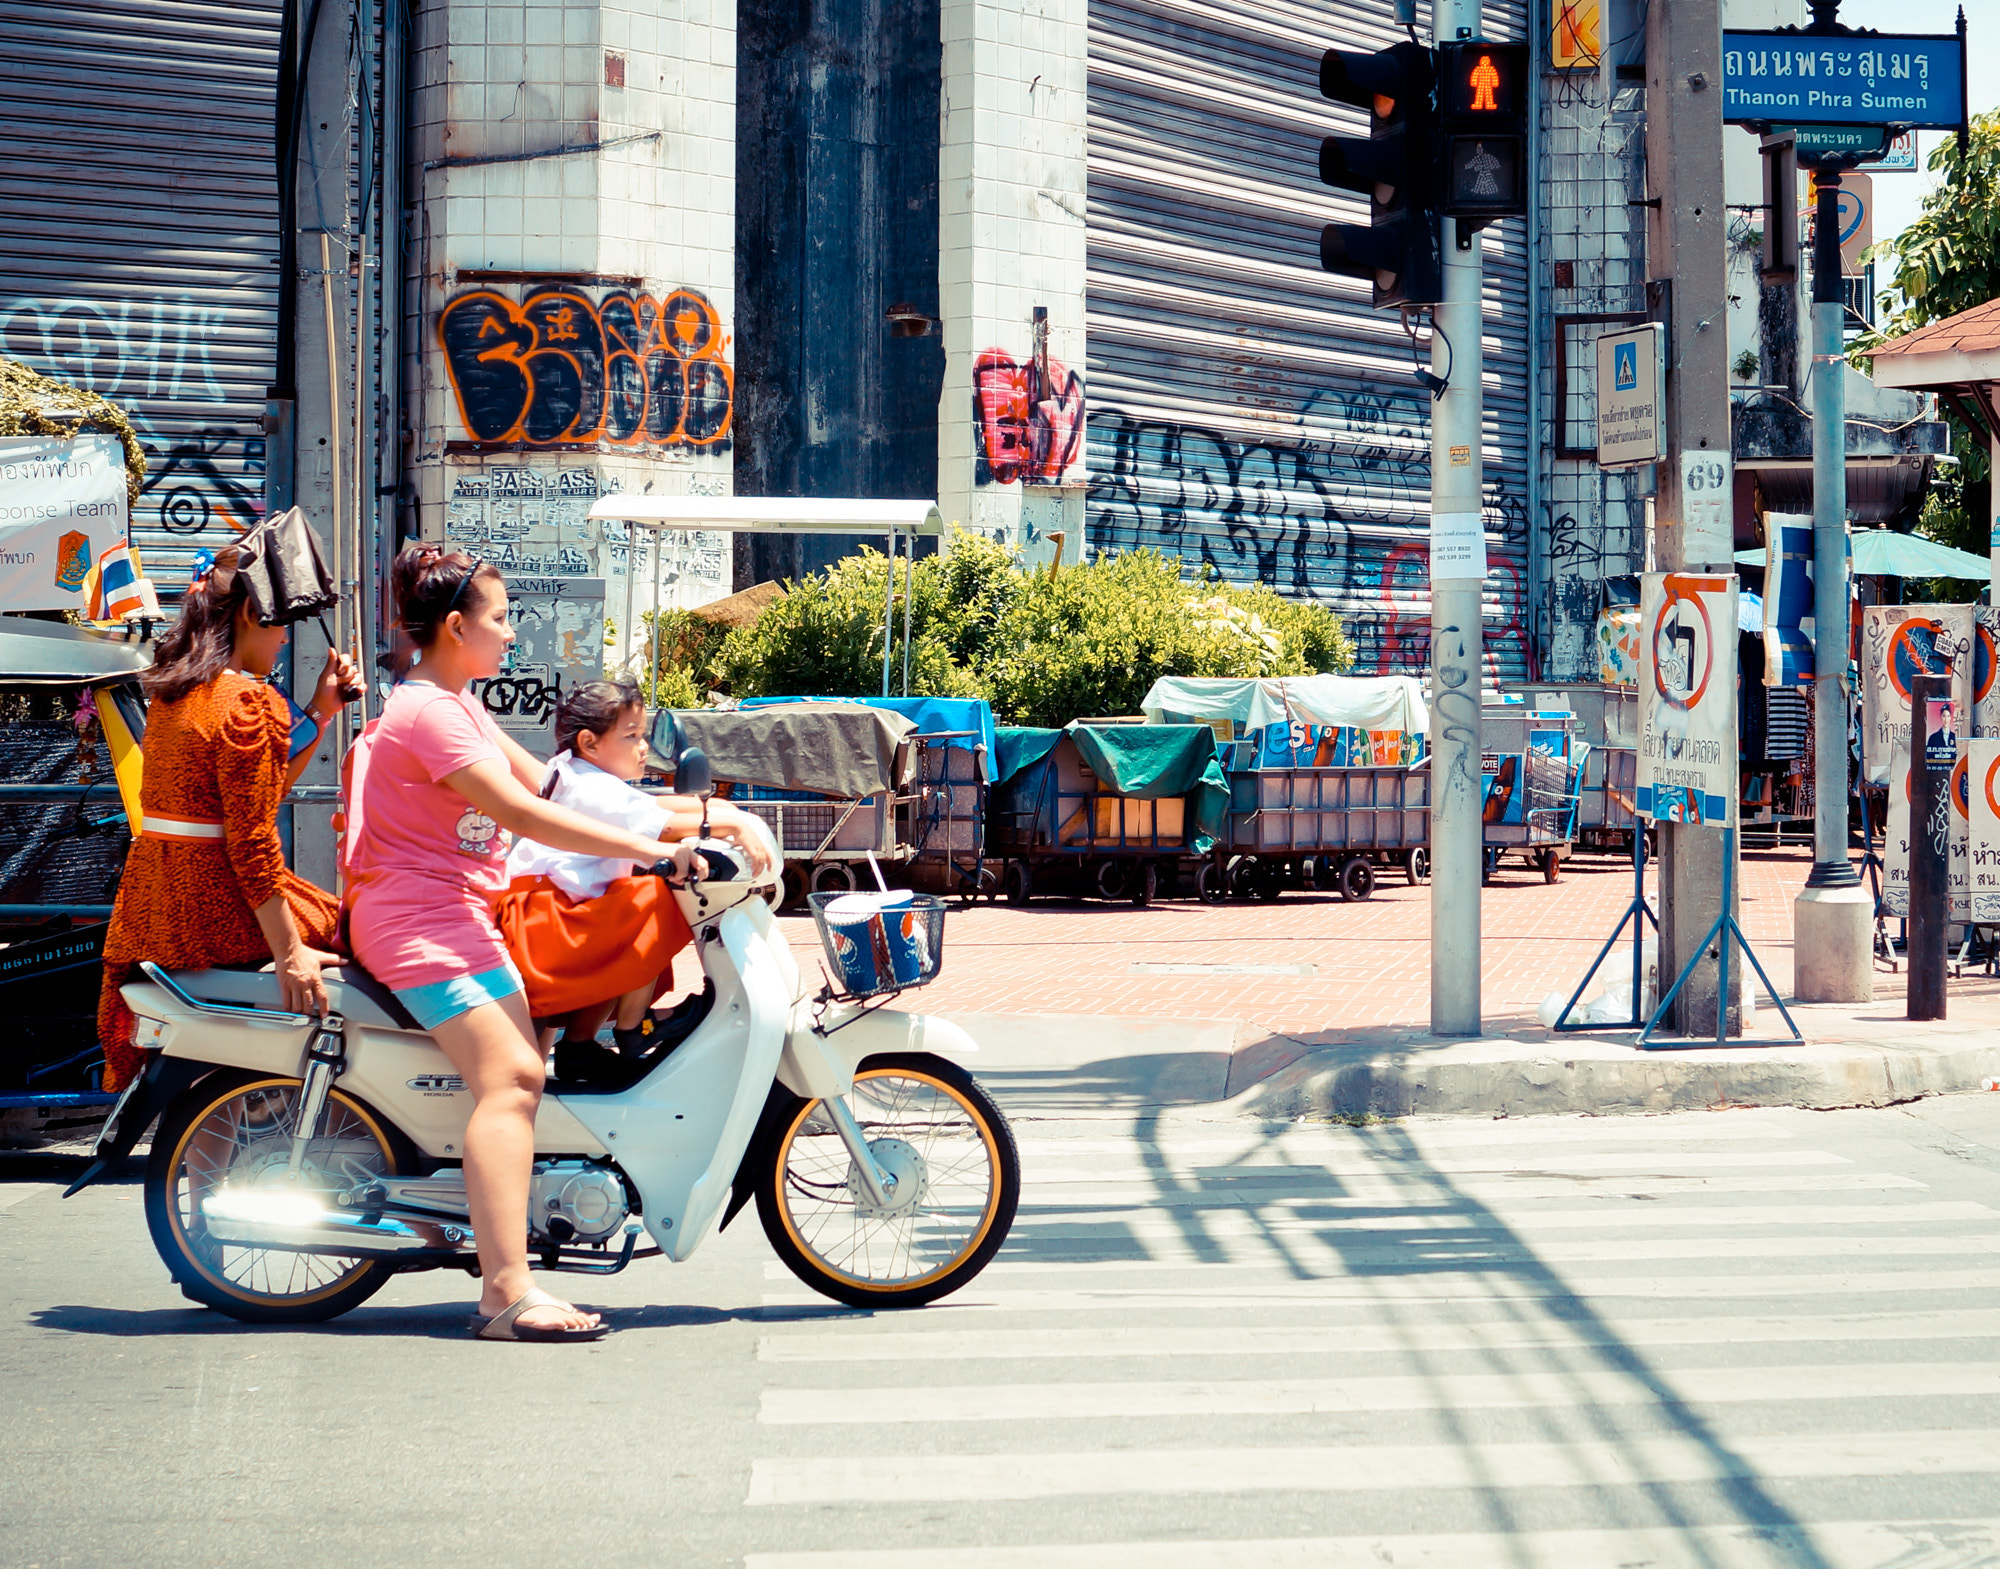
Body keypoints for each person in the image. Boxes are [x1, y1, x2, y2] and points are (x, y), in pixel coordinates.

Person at [345, 545, 772, 1343]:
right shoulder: (432, 713)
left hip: (457, 909)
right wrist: (658, 850)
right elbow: (530, 818)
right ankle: (505, 1293)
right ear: (453, 626)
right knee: (511, 1078)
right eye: (500, 620)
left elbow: (559, 788)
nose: (510, 636)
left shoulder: (456, 703)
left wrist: (713, 820)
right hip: (421, 918)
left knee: (530, 1053)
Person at [97, 543, 359, 1093]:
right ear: (248, 614)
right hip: (211, 907)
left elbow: (256, 799)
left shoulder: (175, 691)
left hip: (153, 905)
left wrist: (320, 711)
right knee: (360, 933)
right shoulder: (246, 702)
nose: (285, 638)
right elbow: (253, 842)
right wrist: (290, 955)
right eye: (279, 624)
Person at [500, 680, 766, 1065]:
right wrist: (730, 824)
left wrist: (727, 812)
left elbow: (653, 807)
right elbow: (666, 825)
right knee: (656, 896)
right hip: (544, 922)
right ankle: (634, 1026)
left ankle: (580, 1046)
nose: (643, 746)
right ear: (590, 743)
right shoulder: (592, 790)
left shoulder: (578, 773)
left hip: (545, 914)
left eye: (643, 735)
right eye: (631, 736)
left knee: (627, 905)